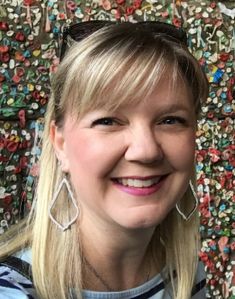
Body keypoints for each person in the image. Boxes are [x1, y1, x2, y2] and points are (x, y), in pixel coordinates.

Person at [0, 20, 209, 299]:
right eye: (108, 121)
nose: (145, 150)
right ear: (60, 143)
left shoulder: (185, 275)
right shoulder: (13, 289)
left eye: (170, 120)